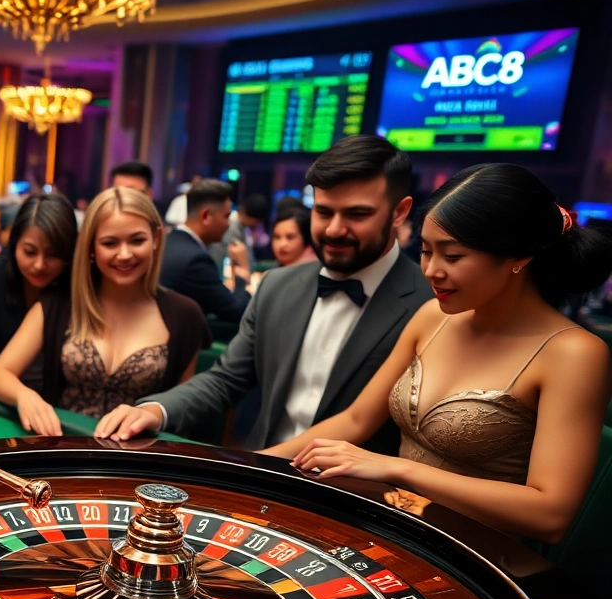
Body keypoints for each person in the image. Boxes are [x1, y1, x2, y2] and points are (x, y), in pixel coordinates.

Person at [262, 164, 612, 544]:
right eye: (426, 251)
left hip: (480, 558)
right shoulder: (432, 317)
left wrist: (397, 469)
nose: (430, 270)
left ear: (519, 256)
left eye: (453, 256)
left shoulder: (574, 353)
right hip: (396, 529)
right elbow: (356, 419)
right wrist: (256, 465)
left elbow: (550, 515)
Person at [97, 135, 431, 449]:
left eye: (358, 214)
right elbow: (225, 379)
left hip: (360, 499)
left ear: (399, 212)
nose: (334, 229)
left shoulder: (431, 304)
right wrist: (156, 409)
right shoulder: (278, 285)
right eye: (323, 211)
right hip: (263, 478)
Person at [0, 188, 210, 435]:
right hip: (60, 448)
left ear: (155, 238)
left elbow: (183, 409)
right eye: (109, 243)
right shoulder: (59, 303)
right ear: (91, 247)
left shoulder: (185, 315)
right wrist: (25, 396)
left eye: (137, 240)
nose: (124, 254)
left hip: (139, 460)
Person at [0, 194, 77, 391]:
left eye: (52, 254)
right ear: (14, 244)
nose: (39, 265)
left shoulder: (78, 287)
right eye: (30, 252)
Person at [159, 179, 251, 322]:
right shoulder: (195, 260)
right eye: (226, 216)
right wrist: (243, 272)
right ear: (205, 216)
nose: (228, 224)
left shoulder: (167, 240)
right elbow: (236, 312)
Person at [219, 193, 269, 267]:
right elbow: (232, 256)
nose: (257, 224)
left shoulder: (244, 226)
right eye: (257, 221)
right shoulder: (231, 225)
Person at [269, 204, 318, 268]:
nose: (282, 244)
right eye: (277, 237)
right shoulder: (272, 272)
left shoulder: (316, 270)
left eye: (290, 237)